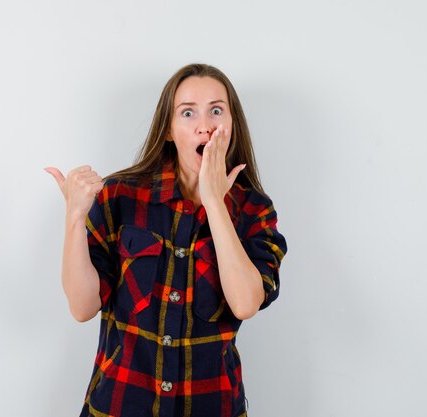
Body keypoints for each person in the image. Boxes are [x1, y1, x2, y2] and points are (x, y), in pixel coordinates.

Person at [45, 63, 287, 417]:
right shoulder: (120, 196)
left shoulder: (254, 210)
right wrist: (74, 217)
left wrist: (214, 203)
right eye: (188, 113)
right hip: (119, 406)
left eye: (216, 111)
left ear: (232, 125)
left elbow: (246, 303)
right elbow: (83, 307)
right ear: (170, 130)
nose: (204, 125)